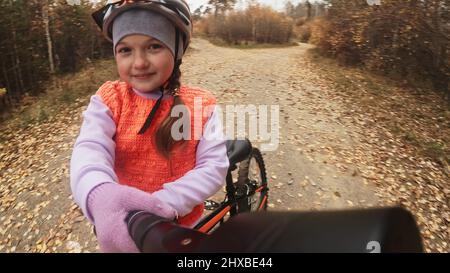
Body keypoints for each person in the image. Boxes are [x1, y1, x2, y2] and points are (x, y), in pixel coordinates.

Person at [70, 0, 229, 253]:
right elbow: (90, 148)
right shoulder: (110, 100)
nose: (139, 62)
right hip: (126, 226)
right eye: (125, 50)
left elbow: (213, 166)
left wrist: (162, 204)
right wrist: (97, 192)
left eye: (154, 46)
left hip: (182, 227)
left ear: (176, 51)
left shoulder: (201, 104)